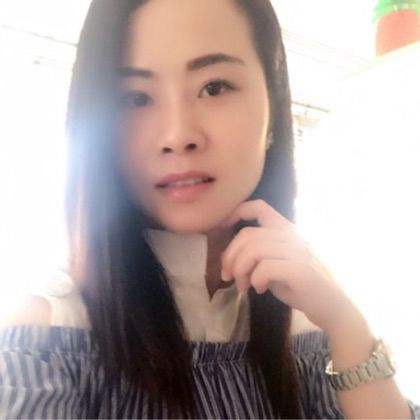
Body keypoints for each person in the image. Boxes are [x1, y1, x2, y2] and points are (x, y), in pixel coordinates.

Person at [0, 0, 419, 418]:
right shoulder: (43, 342)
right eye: (135, 98)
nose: (178, 135)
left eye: (214, 87)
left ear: (273, 108)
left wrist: (347, 327)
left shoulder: (310, 318)